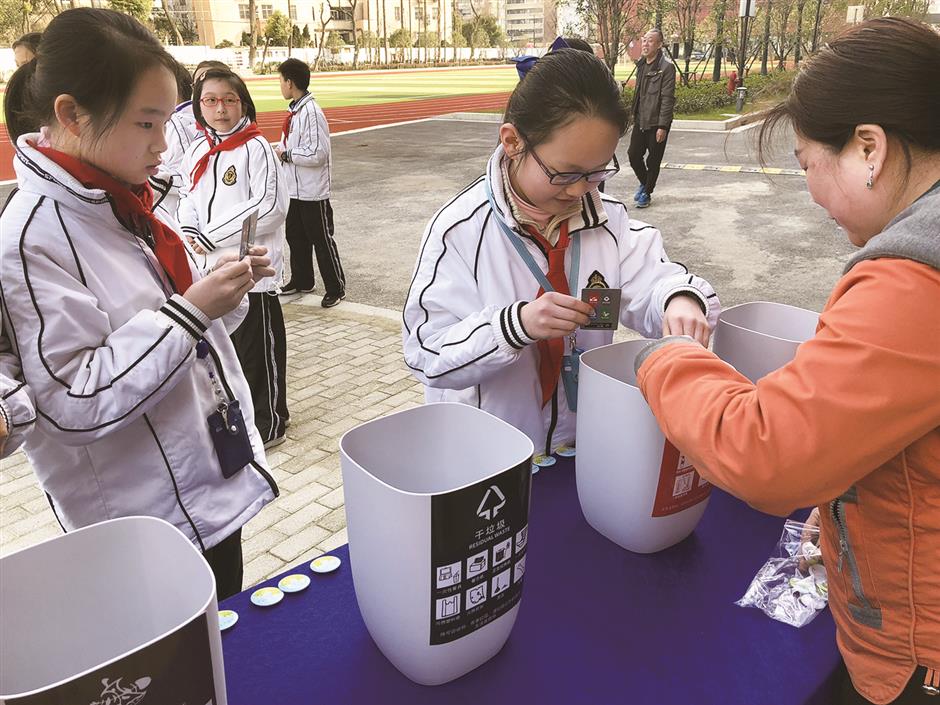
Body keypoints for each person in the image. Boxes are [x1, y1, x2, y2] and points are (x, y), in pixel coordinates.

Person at [634, 17, 940, 705]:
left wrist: (666, 356)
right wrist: (845, 507)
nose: (810, 192)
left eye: (808, 164)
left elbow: (765, 449)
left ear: (869, 148)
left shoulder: (914, 276)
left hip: (917, 660)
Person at [1, 8, 279, 599]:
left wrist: (222, 290)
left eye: (168, 122)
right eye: (147, 124)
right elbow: (73, 400)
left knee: (224, 639)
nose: (164, 146)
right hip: (143, 520)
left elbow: (179, 326)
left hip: (201, 487)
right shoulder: (33, 237)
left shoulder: (122, 202)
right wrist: (191, 312)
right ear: (71, 114)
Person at [402, 48, 718, 463]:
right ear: (513, 142)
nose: (581, 190)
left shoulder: (608, 223)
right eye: (565, 174)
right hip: (490, 461)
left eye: (598, 172)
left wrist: (680, 298)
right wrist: (514, 326)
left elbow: (655, 278)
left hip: (578, 449)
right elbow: (428, 354)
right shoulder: (459, 232)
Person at [179, 68, 291, 449]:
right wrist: (190, 231)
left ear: (242, 103)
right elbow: (187, 198)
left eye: (229, 100)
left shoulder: (255, 146)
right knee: (226, 354)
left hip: (252, 270)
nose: (220, 108)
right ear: (199, 105)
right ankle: (242, 417)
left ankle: (271, 421)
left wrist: (209, 236)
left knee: (258, 352)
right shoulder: (200, 148)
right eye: (210, 100)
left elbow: (270, 206)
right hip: (211, 272)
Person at [275, 58, 346, 308]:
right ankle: (302, 279)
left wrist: (287, 155)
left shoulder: (311, 113)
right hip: (294, 189)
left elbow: (318, 153)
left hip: (312, 191)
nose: (280, 86)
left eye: (281, 80)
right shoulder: (294, 111)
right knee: (295, 237)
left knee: (321, 239)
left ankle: (336, 287)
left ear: (290, 82)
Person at [628, 28, 676, 209]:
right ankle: (645, 183)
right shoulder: (641, 65)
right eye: (644, 40)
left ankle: (646, 193)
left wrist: (663, 126)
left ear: (659, 45)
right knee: (633, 155)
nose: (645, 44)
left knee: (653, 161)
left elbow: (667, 99)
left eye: (650, 41)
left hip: (657, 123)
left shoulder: (666, 68)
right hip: (640, 120)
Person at [150, 61, 197, 223]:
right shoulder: (196, 117)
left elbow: (188, 180)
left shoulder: (176, 123)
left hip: (176, 214)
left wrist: (149, 175)